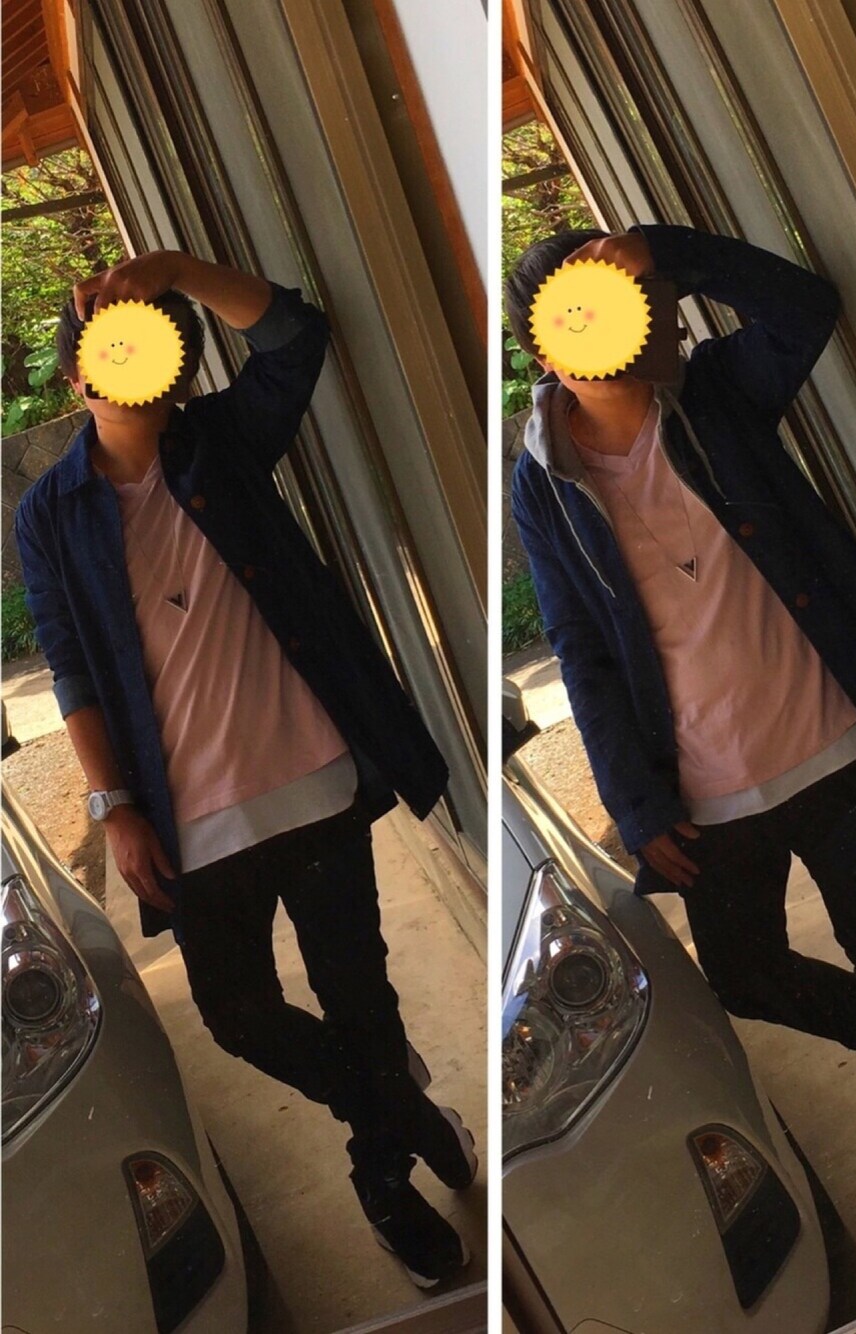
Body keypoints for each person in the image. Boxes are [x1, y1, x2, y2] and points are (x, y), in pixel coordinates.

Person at [15, 250, 476, 1286]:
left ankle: (385, 1179)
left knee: (358, 993)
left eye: (150, 347)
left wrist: (178, 269)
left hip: (311, 777)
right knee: (237, 1015)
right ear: (80, 377)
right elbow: (70, 665)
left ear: (177, 367)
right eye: (108, 351)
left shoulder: (220, 442)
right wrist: (115, 805)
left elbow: (293, 338)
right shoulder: (50, 513)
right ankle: (402, 1107)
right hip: (189, 817)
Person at [506, 224, 856, 1210]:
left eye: (640, 301)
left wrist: (665, 249)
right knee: (745, 972)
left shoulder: (718, 393)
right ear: (546, 343)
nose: (645, 322)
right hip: (704, 787)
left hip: (828, 737)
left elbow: (805, 307)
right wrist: (634, 800)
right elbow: (579, 647)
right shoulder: (540, 479)